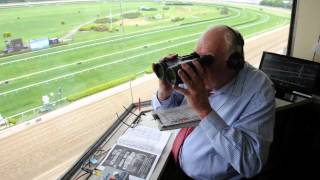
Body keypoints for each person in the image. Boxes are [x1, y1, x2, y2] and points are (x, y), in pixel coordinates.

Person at [152, 25, 275, 179]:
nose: (199, 69)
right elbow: (166, 115)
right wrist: (165, 91)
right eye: (196, 57)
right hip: (174, 164)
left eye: (206, 61)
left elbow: (251, 164)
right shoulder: (203, 76)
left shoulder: (259, 89)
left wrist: (205, 111)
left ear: (234, 62)